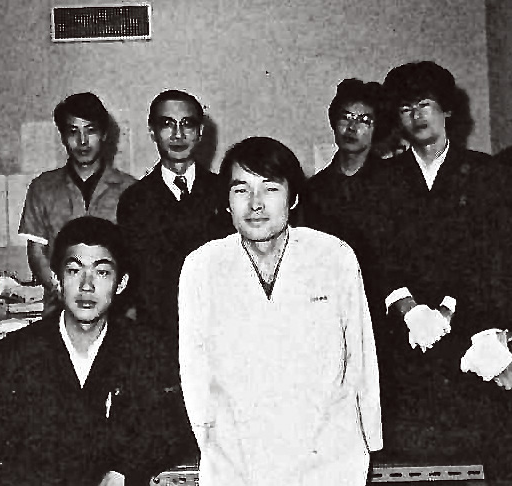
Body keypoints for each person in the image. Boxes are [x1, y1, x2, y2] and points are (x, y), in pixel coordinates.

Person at [178, 136, 382, 486]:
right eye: (241, 190)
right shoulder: (203, 266)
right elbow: (194, 371)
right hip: (238, 460)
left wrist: (369, 441)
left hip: (328, 458)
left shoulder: (333, 256)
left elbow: (361, 356)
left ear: (294, 197)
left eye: (270, 188)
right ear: (226, 202)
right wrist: (210, 445)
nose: (255, 203)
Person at [379, 61, 506, 477]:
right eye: (405, 108)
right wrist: (409, 308)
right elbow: (377, 252)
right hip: (405, 333)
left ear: (446, 109)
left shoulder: (487, 173)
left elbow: (492, 254)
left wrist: (450, 309)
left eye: (425, 104)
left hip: (472, 328)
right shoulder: (383, 179)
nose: (416, 116)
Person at [0, 217, 195, 486]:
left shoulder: (147, 350)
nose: (87, 285)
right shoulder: (15, 353)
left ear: (121, 283)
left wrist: (125, 470)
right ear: (56, 279)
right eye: (74, 271)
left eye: (102, 273)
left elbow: (171, 427)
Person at [117, 89, 229, 354]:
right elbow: (135, 280)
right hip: (157, 340)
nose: (178, 135)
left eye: (187, 124)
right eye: (167, 124)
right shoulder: (135, 200)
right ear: (152, 132)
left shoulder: (223, 192)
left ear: (200, 132)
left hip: (218, 334)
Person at [18, 92, 135, 314]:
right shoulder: (42, 188)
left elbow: (135, 257)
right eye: (73, 131)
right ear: (63, 136)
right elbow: (36, 253)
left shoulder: (130, 190)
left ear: (104, 134)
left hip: (117, 313)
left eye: (90, 130)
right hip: (59, 311)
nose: (82, 141)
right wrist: (64, 290)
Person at [301, 78, 390, 338]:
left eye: (364, 120)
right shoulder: (313, 189)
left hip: (384, 306)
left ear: (377, 128)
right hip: (332, 307)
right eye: (346, 117)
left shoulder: (394, 182)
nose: (352, 127)